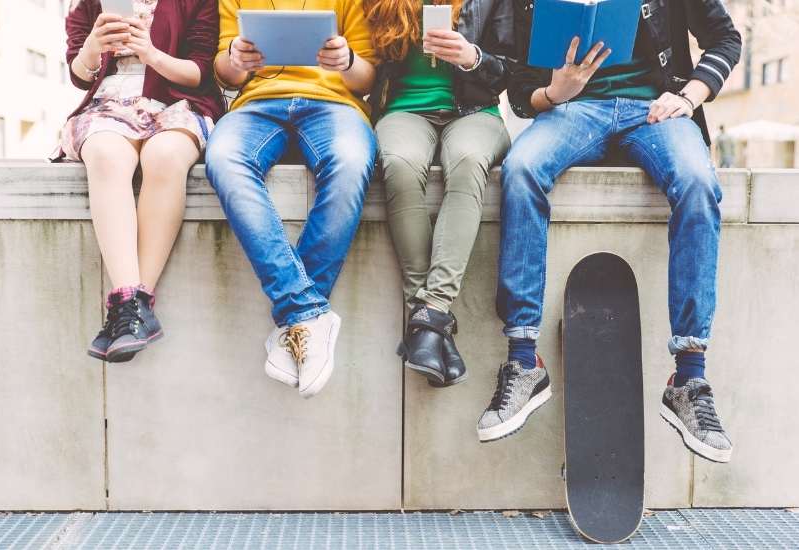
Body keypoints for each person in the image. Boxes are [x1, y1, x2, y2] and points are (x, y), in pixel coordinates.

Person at [477, 0, 741, 465]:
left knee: (699, 184)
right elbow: (522, 95)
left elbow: (726, 38)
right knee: (520, 170)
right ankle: (523, 360)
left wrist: (688, 96)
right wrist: (557, 91)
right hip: (574, 112)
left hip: (657, 113)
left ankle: (689, 376)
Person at [205, 0, 378, 398]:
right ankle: (307, 313)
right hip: (257, 105)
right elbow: (225, 75)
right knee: (224, 158)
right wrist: (236, 59)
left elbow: (367, 78)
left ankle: (296, 321)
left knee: (351, 163)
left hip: (334, 105)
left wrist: (346, 60)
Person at [60, 0, 224, 363]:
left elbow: (201, 71)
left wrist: (150, 53)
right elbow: (78, 73)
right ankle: (131, 307)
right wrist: (92, 47)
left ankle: (131, 307)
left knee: (165, 156)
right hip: (108, 106)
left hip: (177, 102)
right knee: (105, 155)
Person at [365, 0, 512, 387]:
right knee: (398, 163)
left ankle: (430, 311)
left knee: (467, 161)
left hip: (475, 112)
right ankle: (431, 322)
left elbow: (511, 71)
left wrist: (472, 58)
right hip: (402, 110)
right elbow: (365, 66)